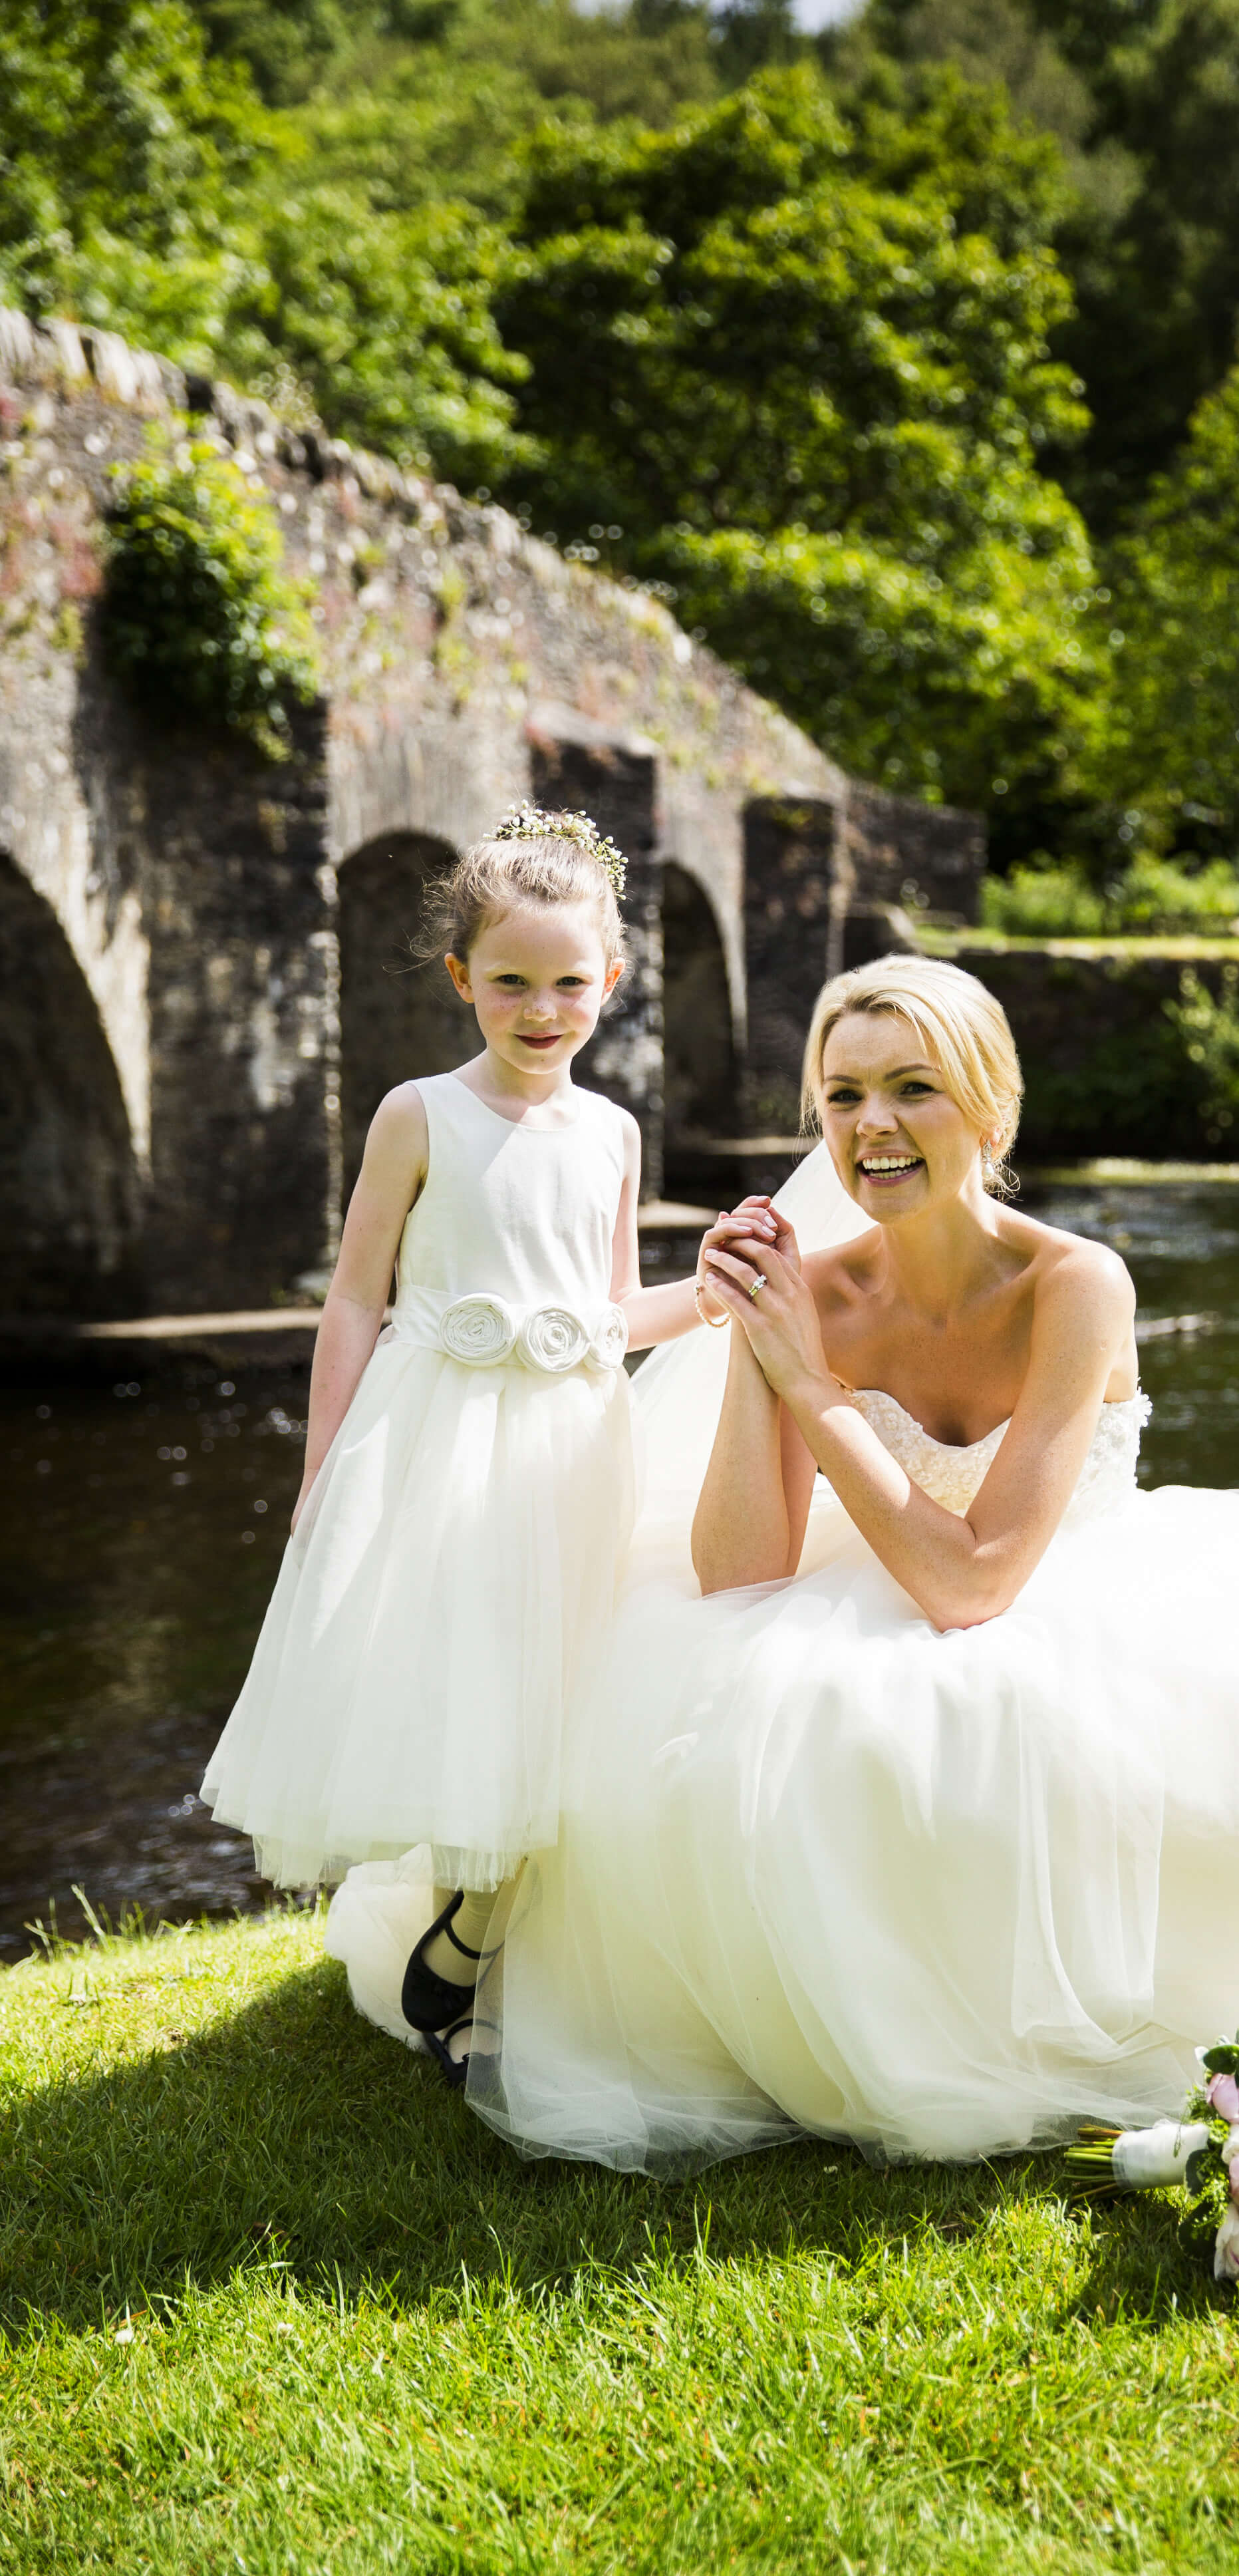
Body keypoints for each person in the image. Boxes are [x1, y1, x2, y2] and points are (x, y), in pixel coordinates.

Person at [343, 955, 1239, 2164]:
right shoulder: (808, 1285)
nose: (872, 1127)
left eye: (911, 1088)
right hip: (866, 1578)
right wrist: (767, 1352)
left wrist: (813, 1384)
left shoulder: (1077, 1285)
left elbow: (974, 1586)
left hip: (1061, 1589)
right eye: (844, 1094)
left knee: (981, 1720)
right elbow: (741, 1572)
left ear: (990, 1108)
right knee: (756, 1723)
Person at [201, 806, 766, 2079]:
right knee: (472, 1680)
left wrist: (721, 1286)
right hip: (439, 1436)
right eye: (510, 981)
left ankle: (475, 1936)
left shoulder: (614, 1135)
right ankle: (466, 1939)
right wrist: (323, 1466)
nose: (542, 1007)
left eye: (571, 982)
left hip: (572, 1441)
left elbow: (610, 1313)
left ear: (610, 983)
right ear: (463, 980)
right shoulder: (418, 1114)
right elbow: (356, 1295)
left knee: (565, 1680)